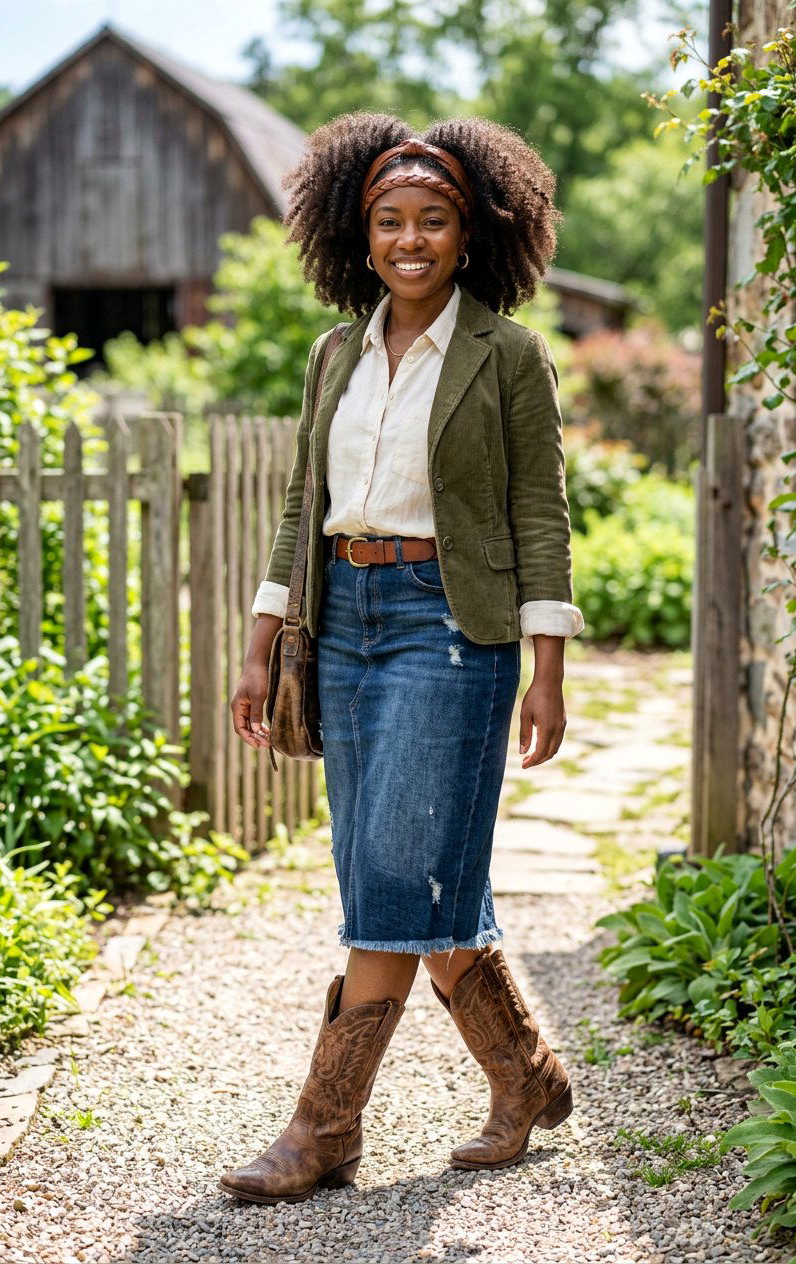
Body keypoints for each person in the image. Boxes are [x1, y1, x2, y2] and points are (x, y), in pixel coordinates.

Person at [220, 112, 586, 1206]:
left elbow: (540, 511)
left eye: (433, 220)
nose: (410, 238)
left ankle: (323, 1124)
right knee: (404, 879)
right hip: (343, 624)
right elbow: (302, 507)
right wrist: (259, 647)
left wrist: (547, 666)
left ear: (469, 235)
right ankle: (525, 1076)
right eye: (389, 221)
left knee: (391, 875)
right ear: (358, 232)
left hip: (447, 625)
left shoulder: (508, 354)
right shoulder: (334, 352)